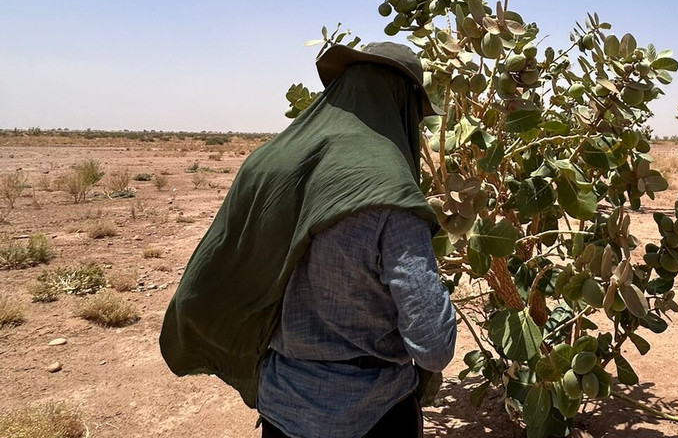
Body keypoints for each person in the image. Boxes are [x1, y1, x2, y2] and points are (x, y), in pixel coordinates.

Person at [160, 42, 457, 438]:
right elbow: (434, 346)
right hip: (373, 412)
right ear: (401, 105)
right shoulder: (392, 195)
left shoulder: (269, 164)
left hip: (283, 403)